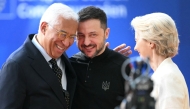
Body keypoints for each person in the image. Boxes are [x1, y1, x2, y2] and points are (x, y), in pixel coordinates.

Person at [0, 3, 78, 109]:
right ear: (44, 28)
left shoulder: (64, 59)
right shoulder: (16, 66)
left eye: (72, 36)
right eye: (62, 34)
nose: (67, 42)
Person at [70, 6, 131, 109]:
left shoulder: (123, 66)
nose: (86, 42)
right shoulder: (69, 65)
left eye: (93, 35)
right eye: (80, 35)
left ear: (106, 33)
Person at [131, 12, 189, 109]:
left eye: (137, 40)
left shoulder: (168, 77)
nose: (135, 48)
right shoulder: (162, 74)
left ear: (151, 42)